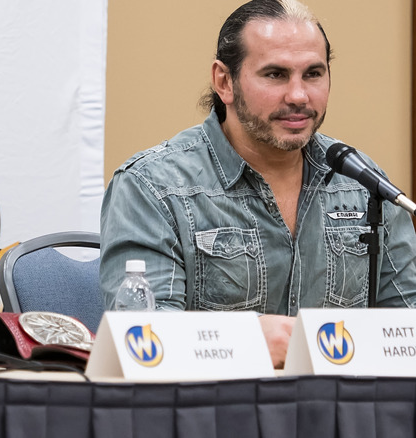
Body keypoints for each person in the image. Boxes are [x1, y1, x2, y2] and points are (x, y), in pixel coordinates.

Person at [100, 0, 416, 368]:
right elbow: (141, 345)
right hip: (213, 416)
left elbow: (406, 326)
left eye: (313, 74)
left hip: (343, 416)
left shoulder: (362, 183)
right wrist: (244, 343)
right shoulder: (151, 186)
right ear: (224, 81)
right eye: (275, 75)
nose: (299, 96)